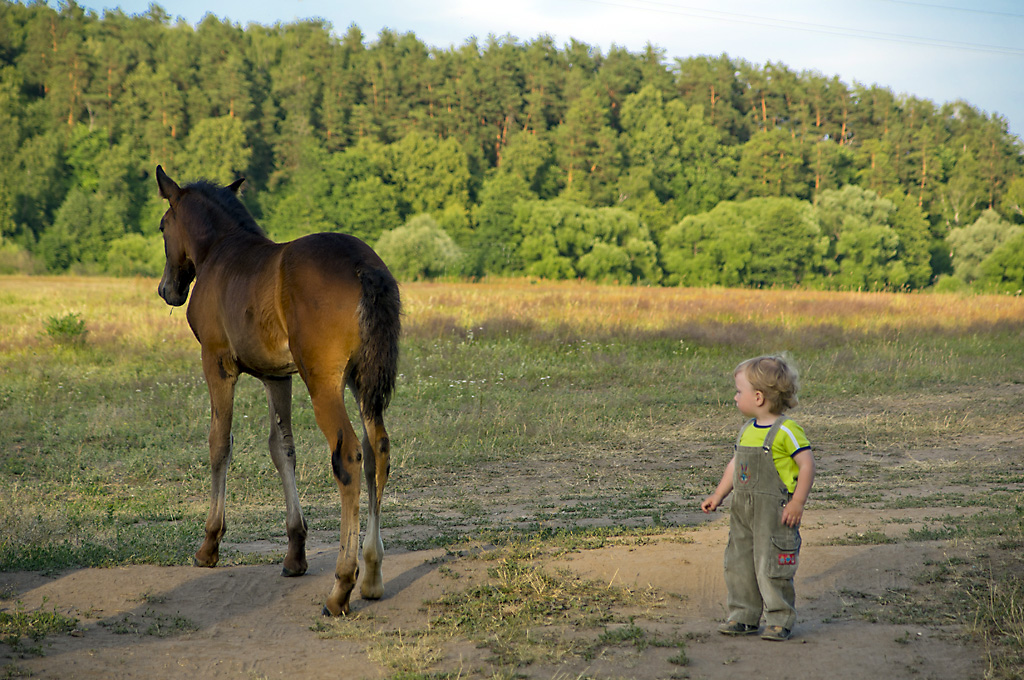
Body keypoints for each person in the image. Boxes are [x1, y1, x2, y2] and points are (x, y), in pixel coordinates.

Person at [701, 355, 815, 642]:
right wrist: (718, 494)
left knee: (772, 564)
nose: (735, 396)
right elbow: (736, 463)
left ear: (759, 397)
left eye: (739, 391)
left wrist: (797, 502)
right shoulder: (747, 429)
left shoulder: (787, 430)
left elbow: (807, 465)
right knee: (739, 562)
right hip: (743, 511)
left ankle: (780, 618)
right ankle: (743, 615)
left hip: (774, 513)